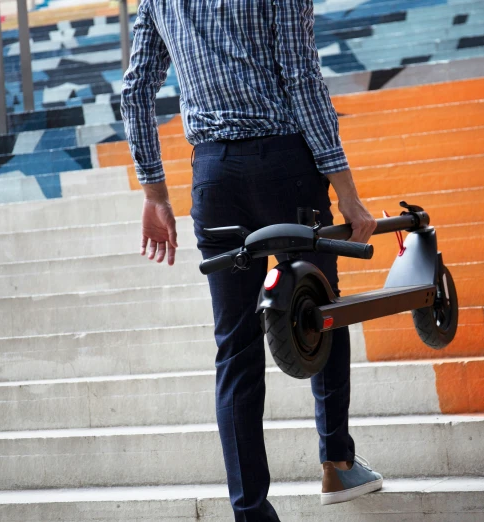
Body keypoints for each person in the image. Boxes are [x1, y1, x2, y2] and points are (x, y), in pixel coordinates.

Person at [121, 1, 380, 519]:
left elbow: (135, 90)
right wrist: (346, 189)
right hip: (285, 165)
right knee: (319, 310)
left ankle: (250, 510)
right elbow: (302, 77)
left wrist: (155, 193)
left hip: (214, 178)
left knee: (235, 347)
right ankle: (336, 460)